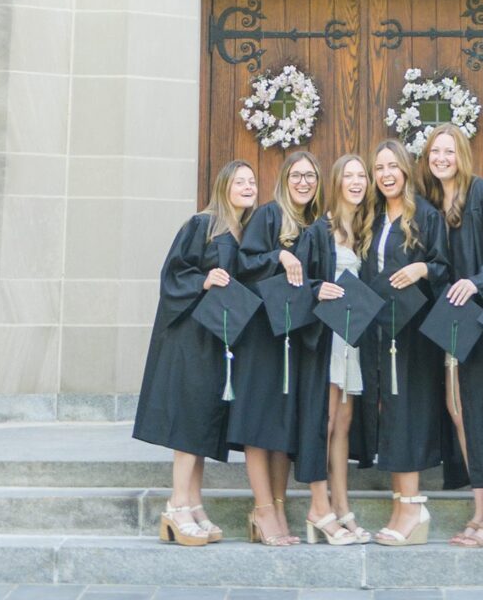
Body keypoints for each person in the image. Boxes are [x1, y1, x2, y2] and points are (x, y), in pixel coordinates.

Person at [134, 160, 258, 546]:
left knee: (204, 421)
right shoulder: (202, 225)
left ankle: (194, 503)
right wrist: (203, 279)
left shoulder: (246, 233)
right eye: (240, 181)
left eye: (252, 181)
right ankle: (175, 507)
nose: (248, 186)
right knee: (189, 422)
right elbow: (172, 274)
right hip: (192, 339)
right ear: (224, 186)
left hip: (220, 340)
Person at [421, 122, 483, 546]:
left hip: (482, 320)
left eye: (449, 151)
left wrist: (476, 281)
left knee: (480, 411)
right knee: (458, 409)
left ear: (462, 154)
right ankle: (482, 509)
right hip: (452, 323)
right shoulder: (431, 203)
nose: (441, 158)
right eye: (434, 153)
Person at [360, 139, 449, 544]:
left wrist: (421, 269)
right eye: (379, 168)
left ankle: (412, 508)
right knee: (389, 413)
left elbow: (445, 267)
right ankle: (401, 505)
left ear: (406, 170)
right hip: (379, 329)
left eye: (393, 166)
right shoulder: (373, 218)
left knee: (407, 411)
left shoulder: (426, 216)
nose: (386, 174)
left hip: (412, 330)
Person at [232, 149, 322, 546]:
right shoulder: (269, 216)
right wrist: (280, 254)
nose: (304, 182)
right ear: (285, 179)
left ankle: (280, 508)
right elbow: (244, 262)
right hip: (262, 335)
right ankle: (263, 511)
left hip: (295, 335)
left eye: (311, 176)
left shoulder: (317, 225)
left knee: (284, 425)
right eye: (297, 176)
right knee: (258, 421)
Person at [295, 152, 374, 546]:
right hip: (325, 339)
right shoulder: (318, 231)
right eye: (350, 175)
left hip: (350, 338)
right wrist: (315, 289)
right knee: (323, 423)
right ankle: (318, 506)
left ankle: (342, 507)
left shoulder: (362, 230)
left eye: (363, 175)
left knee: (343, 423)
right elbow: (298, 283)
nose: (357, 181)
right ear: (337, 181)